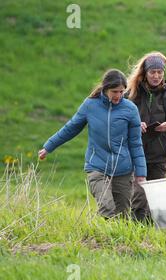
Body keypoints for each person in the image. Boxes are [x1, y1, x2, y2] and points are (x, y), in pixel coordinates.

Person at [38, 69, 147, 219]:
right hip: (97, 166)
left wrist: (141, 174)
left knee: (123, 216)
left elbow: (136, 144)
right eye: (115, 91)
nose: (119, 96)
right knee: (107, 208)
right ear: (105, 88)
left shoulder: (130, 109)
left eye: (122, 92)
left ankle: (115, 242)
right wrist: (48, 146)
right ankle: (99, 239)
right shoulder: (90, 105)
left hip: (123, 169)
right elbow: (71, 128)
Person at [126, 52, 166, 220]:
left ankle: (151, 238)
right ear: (145, 73)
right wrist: (135, 125)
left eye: (160, 72)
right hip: (136, 154)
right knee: (139, 199)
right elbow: (118, 122)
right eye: (153, 72)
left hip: (159, 157)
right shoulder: (131, 93)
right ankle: (135, 237)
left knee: (156, 201)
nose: (156, 76)